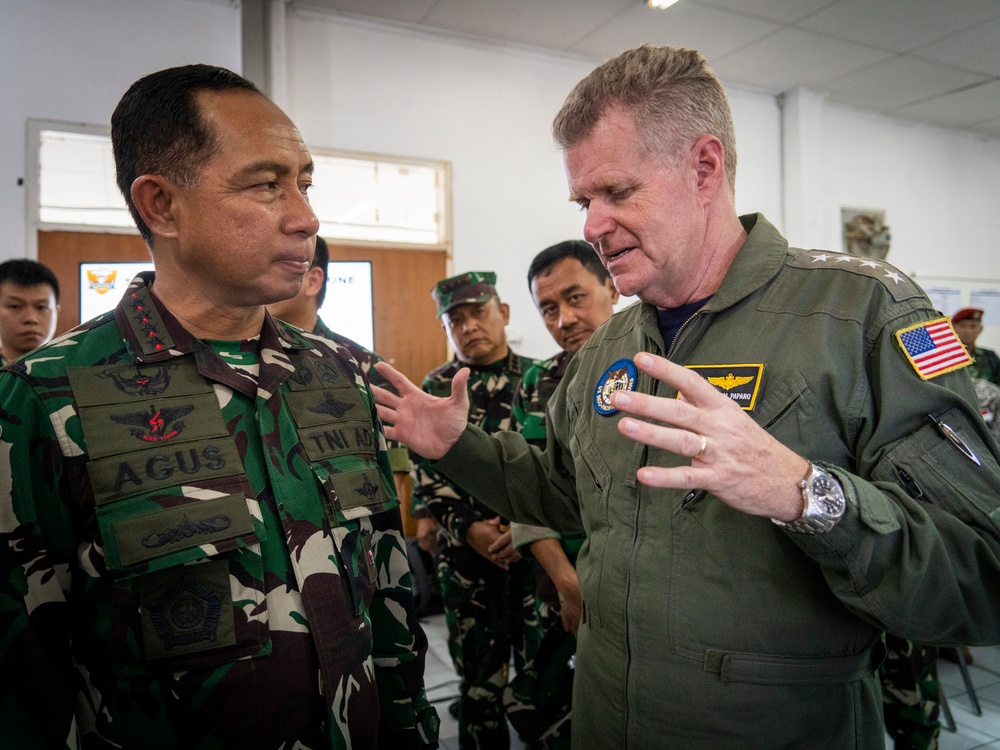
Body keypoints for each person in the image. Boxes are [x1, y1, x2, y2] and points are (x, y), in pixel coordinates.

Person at [372, 45, 1000, 749]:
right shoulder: (606, 353)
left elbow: (981, 574)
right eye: (584, 201)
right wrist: (458, 447)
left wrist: (805, 492)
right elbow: (560, 495)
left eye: (617, 192)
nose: (590, 225)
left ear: (705, 168)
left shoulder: (863, 316)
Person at [0, 64, 438, 749]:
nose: (306, 217)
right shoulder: (44, 396)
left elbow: (386, 595)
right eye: (266, 185)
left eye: (305, 183)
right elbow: (21, 671)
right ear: (161, 205)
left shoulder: (343, 373)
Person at [409, 271, 539, 749]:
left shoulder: (539, 377)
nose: (468, 327)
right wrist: (470, 531)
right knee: (479, 682)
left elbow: (552, 469)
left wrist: (523, 529)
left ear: (502, 314)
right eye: (455, 320)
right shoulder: (436, 387)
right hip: (465, 558)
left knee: (538, 678)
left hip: (533, 556)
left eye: (478, 313)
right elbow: (426, 475)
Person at [502, 240, 619, 749]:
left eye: (576, 298)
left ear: (612, 288)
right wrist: (568, 583)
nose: (565, 319)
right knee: (543, 708)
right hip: (558, 580)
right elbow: (528, 493)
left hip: (627, 582)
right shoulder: (540, 379)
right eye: (548, 309)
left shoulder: (654, 364)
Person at [0, 258, 60, 366]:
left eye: (41, 307)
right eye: (15, 306)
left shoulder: (80, 373)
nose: (31, 318)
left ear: (56, 312)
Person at [952, 307, 1000, 385]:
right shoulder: (945, 357)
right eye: (962, 326)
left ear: (980, 329)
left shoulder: (991, 357)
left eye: (973, 326)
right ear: (953, 328)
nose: (968, 330)